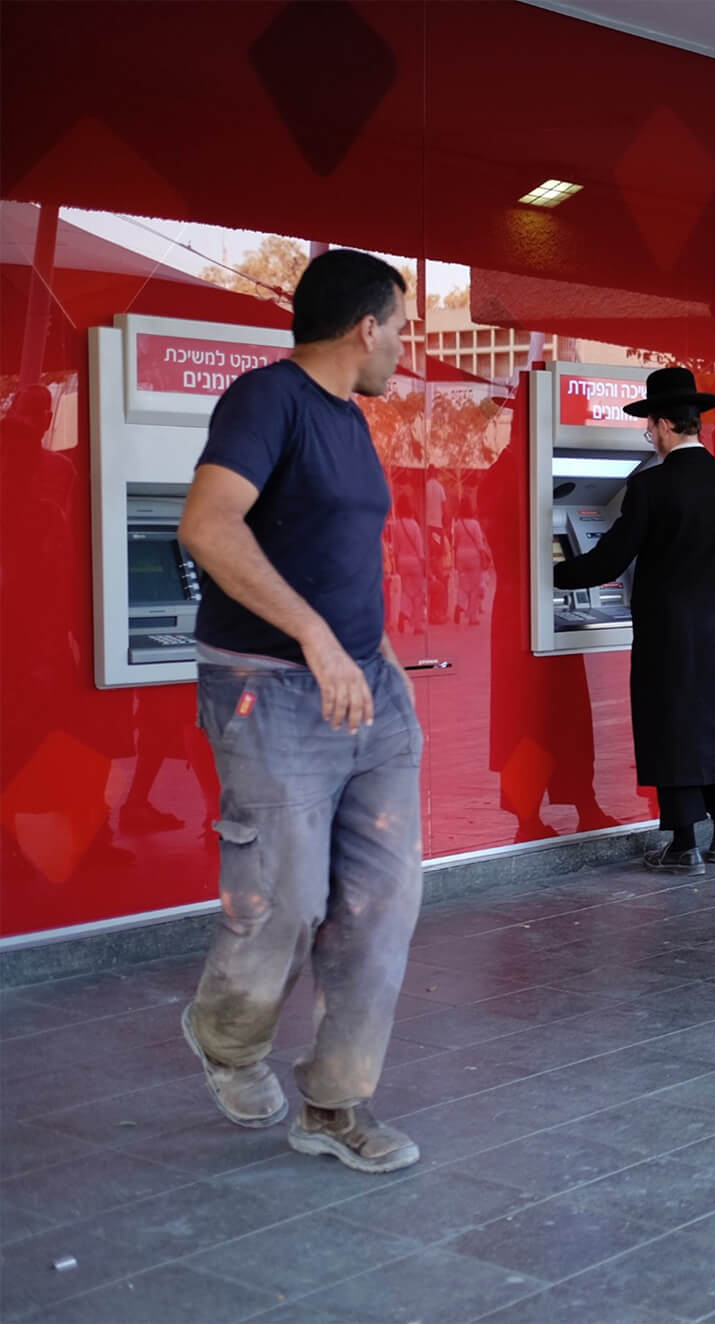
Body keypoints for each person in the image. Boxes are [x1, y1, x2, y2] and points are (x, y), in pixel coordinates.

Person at [176, 250, 423, 1173]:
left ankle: (333, 1104)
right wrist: (318, 643)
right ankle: (227, 1037)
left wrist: (383, 664)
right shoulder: (265, 399)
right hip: (269, 690)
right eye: (400, 327)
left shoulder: (351, 422)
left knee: (381, 903)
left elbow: (342, 553)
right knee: (284, 899)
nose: (404, 347)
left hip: (369, 694)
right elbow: (205, 525)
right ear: (365, 326)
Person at [554, 367, 715, 873]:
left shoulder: (650, 487)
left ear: (663, 425)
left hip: (666, 630)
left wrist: (556, 575)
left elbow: (610, 559)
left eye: (649, 425)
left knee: (671, 724)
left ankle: (683, 844)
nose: (648, 434)